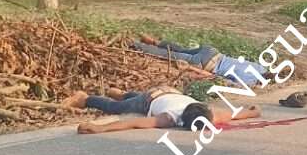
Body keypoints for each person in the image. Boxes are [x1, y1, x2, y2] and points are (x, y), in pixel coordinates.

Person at [63, 86, 260, 134]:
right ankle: (84, 98)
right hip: (149, 100)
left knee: (129, 100)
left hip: (168, 92)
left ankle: (123, 93)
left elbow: (234, 114)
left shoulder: (210, 113)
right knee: (119, 108)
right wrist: (100, 127)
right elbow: (133, 123)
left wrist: (252, 113)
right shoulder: (168, 118)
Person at [130, 35, 267, 81]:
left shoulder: (261, 67)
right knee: (171, 56)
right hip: (208, 63)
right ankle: (134, 45)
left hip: (212, 52)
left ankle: (154, 41)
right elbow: (219, 79)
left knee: (181, 49)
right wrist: (191, 69)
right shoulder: (250, 80)